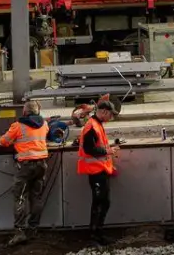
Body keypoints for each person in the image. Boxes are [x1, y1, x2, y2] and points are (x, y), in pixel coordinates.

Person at [0, 99, 52, 245]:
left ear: (25, 112)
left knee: (19, 198)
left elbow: (4, 142)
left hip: (26, 166)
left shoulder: (18, 125)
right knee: (36, 197)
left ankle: (20, 232)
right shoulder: (44, 124)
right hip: (42, 165)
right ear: (37, 111)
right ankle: (33, 230)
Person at [76, 98, 121, 243]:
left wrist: (108, 154)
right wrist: (108, 152)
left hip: (100, 170)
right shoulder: (92, 127)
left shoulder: (96, 124)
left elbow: (96, 147)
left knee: (102, 202)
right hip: (96, 172)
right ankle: (95, 235)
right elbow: (90, 149)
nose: (111, 117)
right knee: (100, 202)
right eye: (111, 115)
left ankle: (97, 233)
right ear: (103, 112)